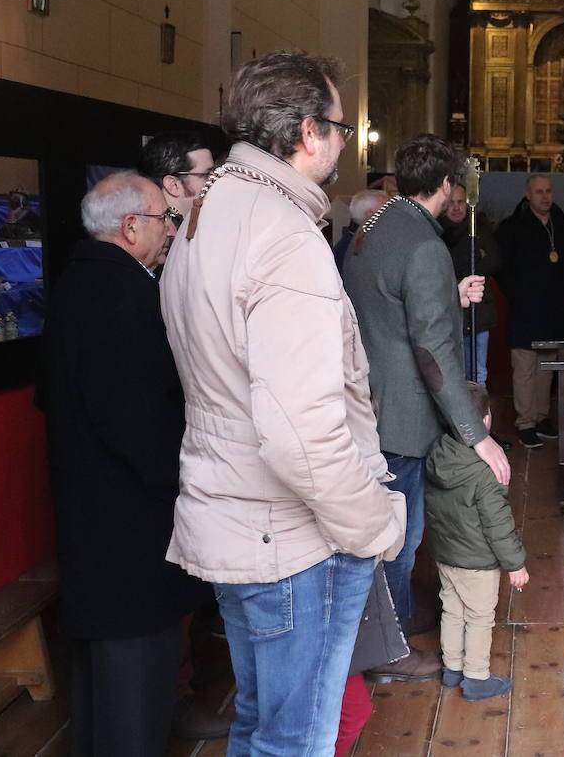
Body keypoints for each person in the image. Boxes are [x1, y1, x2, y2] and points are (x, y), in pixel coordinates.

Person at [161, 50, 407, 754]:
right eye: (342, 128)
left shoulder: (209, 211)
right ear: (306, 132)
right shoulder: (282, 235)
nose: (345, 143)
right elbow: (301, 431)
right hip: (293, 539)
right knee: (296, 740)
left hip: (235, 517)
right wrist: (375, 524)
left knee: (263, 727)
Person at [40, 173, 211, 756]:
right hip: (129, 519)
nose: (172, 229)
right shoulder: (122, 294)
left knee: (105, 679)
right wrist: (188, 475)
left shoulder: (79, 281)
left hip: (93, 510)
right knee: (134, 677)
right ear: (130, 226)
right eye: (166, 217)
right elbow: (134, 420)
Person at [343, 133, 510, 675]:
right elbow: (433, 350)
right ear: (446, 184)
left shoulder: (375, 226)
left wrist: (447, 294)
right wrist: (476, 432)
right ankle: (387, 648)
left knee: (386, 523)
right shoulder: (425, 245)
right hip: (403, 410)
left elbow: (388, 305)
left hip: (368, 394)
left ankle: (393, 621)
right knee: (402, 531)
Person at [424, 381, 529, 701]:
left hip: (445, 553)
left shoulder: (437, 453)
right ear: (485, 421)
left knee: (452, 611)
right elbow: (498, 525)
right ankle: (476, 677)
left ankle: (452, 668)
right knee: (480, 618)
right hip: (477, 562)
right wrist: (516, 564)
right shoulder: (486, 470)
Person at [495, 174, 564, 449]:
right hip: (525, 308)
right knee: (525, 367)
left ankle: (542, 417)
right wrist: (519, 294)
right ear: (528, 194)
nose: (545, 197)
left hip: (555, 309)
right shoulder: (512, 227)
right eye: (539, 192)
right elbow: (502, 269)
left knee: (547, 367)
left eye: (548, 191)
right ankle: (526, 423)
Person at [441, 182, 500, 384]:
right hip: (448, 314)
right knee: (452, 375)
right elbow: (443, 269)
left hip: (478, 312)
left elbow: (493, 262)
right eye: (451, 203)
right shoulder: (436, 232)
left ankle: (478, 415)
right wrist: (473, 254)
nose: (456, 208)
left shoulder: (481, 229)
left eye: (461, 202)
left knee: (478, 373)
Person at [139, 130, 216, 221]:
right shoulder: (156, 233)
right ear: (173, 185)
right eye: (207, 175)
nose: (216, 181)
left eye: (216, 174)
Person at [333, 189, 393, 272]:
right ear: (370, 214)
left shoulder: (351, 241)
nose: (394, 216)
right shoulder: (356, 248)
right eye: (388, 210)